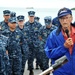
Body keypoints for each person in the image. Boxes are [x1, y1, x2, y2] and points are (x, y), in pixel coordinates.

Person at [45, 7, 75, 75]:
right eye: (62, 19)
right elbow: (49, 54)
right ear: (59, 20)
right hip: (61, 72)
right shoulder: (53, 35)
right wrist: (64, 47)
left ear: (71, 18)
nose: (64, 21)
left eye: (66, 18)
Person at [25, 11, 42, 75]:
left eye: (32, 16)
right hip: (29, 45)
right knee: (30, 59)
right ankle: (31, 71)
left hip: (37, 45)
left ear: (34, 16)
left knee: (40, 58)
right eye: (30, 16)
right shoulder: (25, 24)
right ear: (28, 16)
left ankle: (43, 69)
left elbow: (42, 33)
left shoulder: (38, 24)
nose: (31, 17)